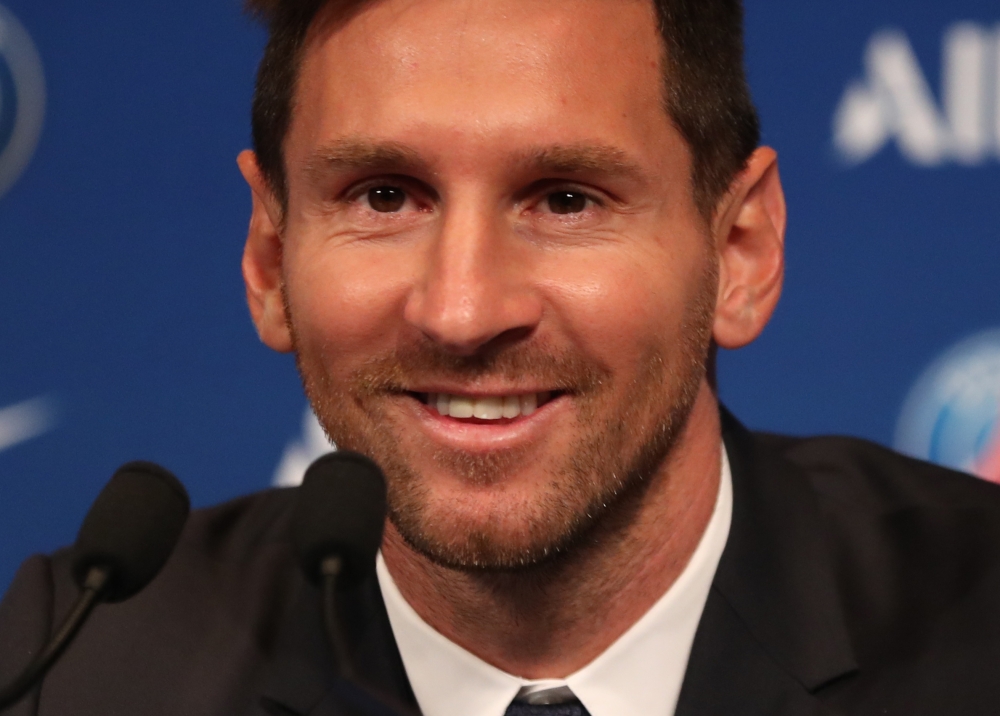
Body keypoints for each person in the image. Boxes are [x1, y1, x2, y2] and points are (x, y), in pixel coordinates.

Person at [3, 0, 1000, 714]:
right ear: (269, 259)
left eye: (566, 197)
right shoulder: (83, 660)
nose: (462, 308)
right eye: (384, 195)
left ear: (738, 251)